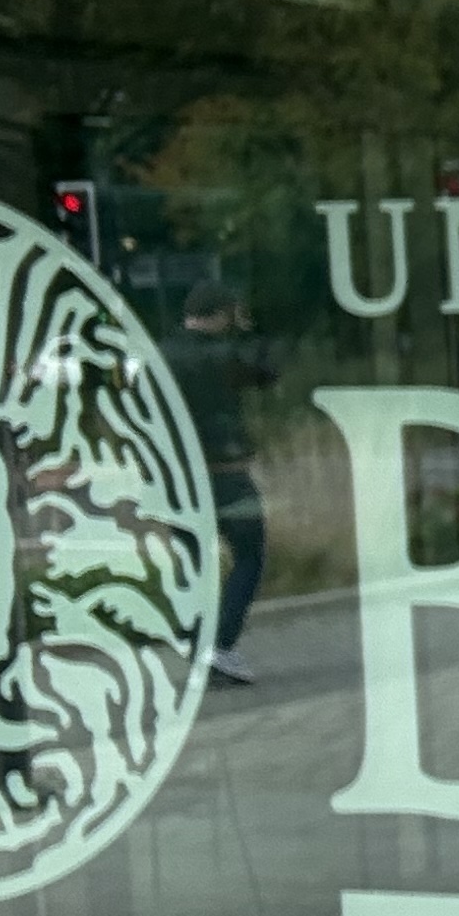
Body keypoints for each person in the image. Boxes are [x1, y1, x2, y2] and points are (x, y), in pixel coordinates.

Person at [166, 283, 271, 684]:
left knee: (194, 558)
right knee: (249, 552)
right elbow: (266, 373)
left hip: (177, 476)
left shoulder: (162, 355)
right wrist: (246, 331)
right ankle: (220, 644)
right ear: (223, 314)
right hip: (226, 474)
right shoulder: (225, 355)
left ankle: (194, 638)